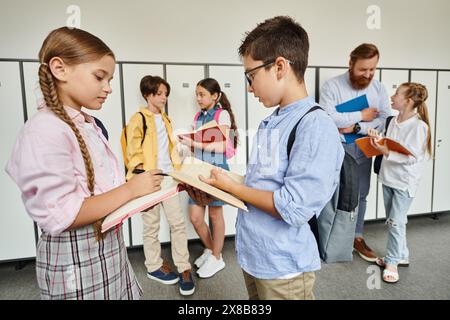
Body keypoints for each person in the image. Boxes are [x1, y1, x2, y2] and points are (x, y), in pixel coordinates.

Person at [4, 27, 164, 300]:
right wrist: (131, 190)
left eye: (110, 79)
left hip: (107, 250)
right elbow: (63, 214)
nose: (108, 88)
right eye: (99, 77)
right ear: (60, 68)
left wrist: (141, 191)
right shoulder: (45, 130)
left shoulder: (87, 125)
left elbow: (99, 194)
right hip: (75, 260)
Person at [197, 16, 344, 299]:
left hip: (282, 266)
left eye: (251, 76)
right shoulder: (273, 121)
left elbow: (294, 207)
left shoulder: (314, 125)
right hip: (256, 256)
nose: (249, 87)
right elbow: (264, 185)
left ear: (279, 67)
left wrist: (233, 188)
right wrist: (222, 183)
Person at [319, 43, 392, 262]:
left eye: (372, 69)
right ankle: (329, 236)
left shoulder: (378, 88)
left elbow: (384, 119)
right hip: (337, 147)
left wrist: (355, 127)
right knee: (332, 192)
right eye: (363, 69)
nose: (368, 74)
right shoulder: (332, 86)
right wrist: (362, 114)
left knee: (360, 194)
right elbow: (328, 117)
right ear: (351, 63)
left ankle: (356, 236)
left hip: (363, 147)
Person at [125, 75, 195, 296]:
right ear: (148, 94)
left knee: (178, 224)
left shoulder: (166, 119)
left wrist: (181, 160)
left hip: (169, 178)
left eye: (166, 94)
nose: (164, 97)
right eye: (159, 93)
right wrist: (141, 177)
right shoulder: (138, 118)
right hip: (149, 180)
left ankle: (184, 268)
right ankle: (154, 266)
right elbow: (132, 151)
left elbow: (170, 150)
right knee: (151, 226)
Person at [368, 83, 432, 283]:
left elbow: (412, 157)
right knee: (394, 220)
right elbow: (390, 144)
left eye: (397, 94)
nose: (392, 96)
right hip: (388, 177)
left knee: (395, 222)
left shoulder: (419, 127)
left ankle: (393, 261)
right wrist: (379, 141)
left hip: (405, 182)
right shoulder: (393, 120)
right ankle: (401, 254)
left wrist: (386, 151)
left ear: (408, 101)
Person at [178, 78, 238, 278]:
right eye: (196, 94)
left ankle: (217, 256)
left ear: (214, 95)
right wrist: (186, 144)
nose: (198, 98)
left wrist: (195, 142)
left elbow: (221, 146)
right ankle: (213, 251)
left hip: (216, 171)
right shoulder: (198, 115)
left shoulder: (223, 115)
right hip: (197, 171)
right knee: (195, 218)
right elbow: (198, 143)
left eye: (202, 94)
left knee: (214, 216)